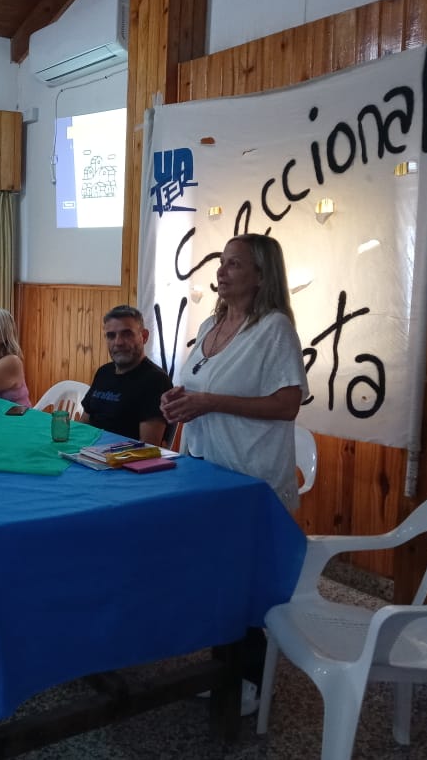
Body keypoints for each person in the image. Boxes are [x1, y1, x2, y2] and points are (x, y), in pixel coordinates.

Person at [160, 233, 308, 715]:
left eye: (236, 265)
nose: (222, 272)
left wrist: (210, 402)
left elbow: (287, 405)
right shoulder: (211, 323)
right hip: (207, 470)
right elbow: (197, 387)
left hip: (251, 476)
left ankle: (251, 680)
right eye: (221, 263)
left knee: (246, 583)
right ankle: (222, 668)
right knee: (216, 577)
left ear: (261, 275)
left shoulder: (275, 329)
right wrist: (177, 401)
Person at [80, 305, 173, 444]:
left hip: (121, 462)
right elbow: (83, 426)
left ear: (144, 336)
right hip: (87, 455)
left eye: (127, 334)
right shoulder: (103, 372)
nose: (118, 342)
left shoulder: (156, 381)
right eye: (111, 336)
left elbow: (148, 447)